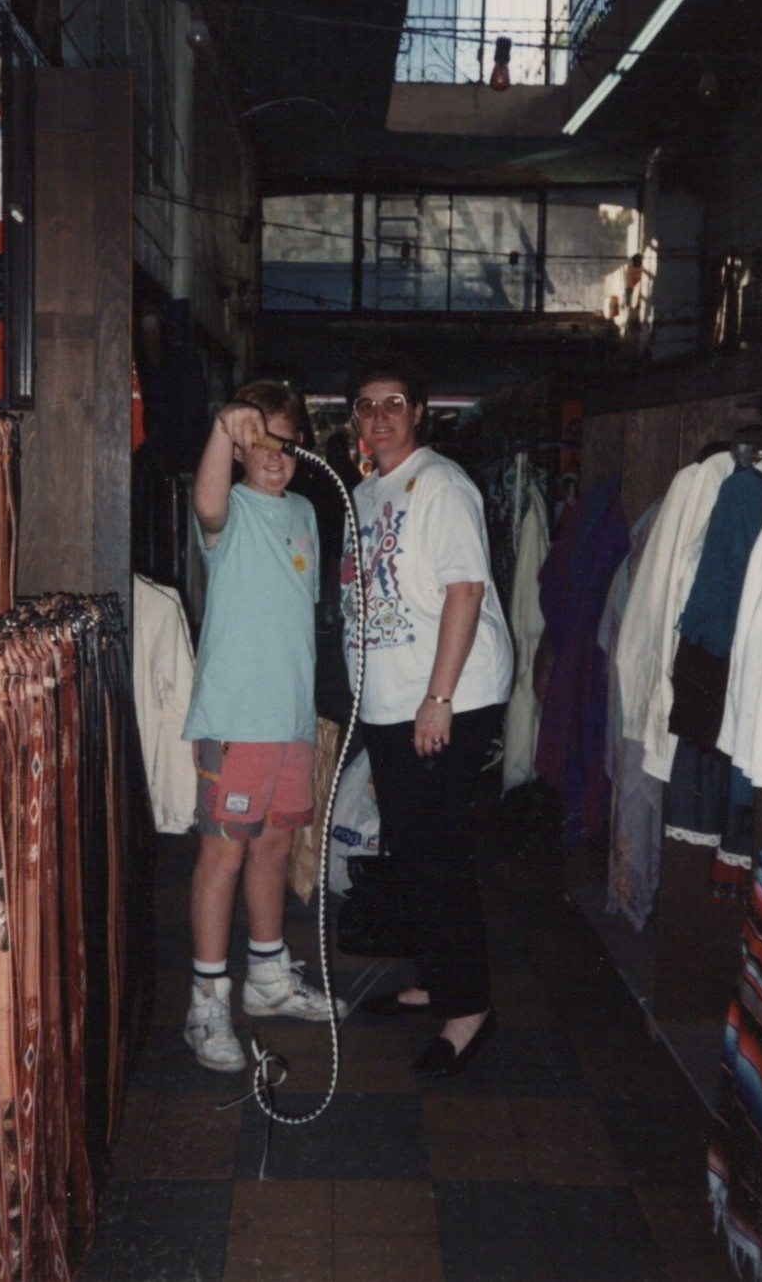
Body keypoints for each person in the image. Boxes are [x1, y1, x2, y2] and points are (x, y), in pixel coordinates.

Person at [340, 351, 514, 1077]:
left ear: (417, 414)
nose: (379, 415)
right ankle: (434, 978)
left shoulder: (440, 484)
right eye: (366, 404)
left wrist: (437, 698)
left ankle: (468, 1006)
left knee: (437, 854)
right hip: (392, 698)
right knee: (410, 848)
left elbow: (465, 592)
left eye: (394, 403)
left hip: (449, 695)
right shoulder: (367, 488)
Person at [182, 380, 347, 1073]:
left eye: (286, 443)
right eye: (260, 442)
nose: (274, 457)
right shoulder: (229, 508)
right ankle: (207, 999)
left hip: (290, 717)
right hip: (237, 718)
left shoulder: (307, 510)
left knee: (276, 844)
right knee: (224, 851)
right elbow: (207, 500)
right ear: (243, 445)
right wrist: (226, 428)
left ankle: (269, 976)